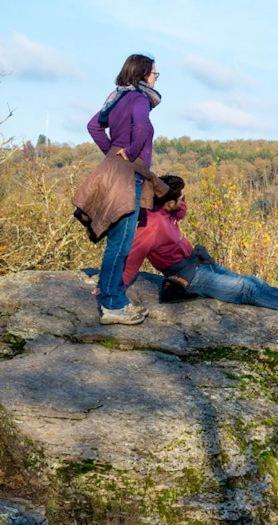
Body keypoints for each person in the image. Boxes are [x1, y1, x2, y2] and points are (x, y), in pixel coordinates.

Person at [122, 175, 278, 321]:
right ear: (168, 202)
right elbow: (134, 256)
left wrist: (176, 196)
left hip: (198, 264)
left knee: (253, 280)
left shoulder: (166, 213)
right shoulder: (150, 225)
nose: (183, 201)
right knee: (245, 288)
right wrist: (113, 286)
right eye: (181, 198)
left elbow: (181, 213)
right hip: (187, 278)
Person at [86, 53, 162, 326]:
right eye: (154, 73)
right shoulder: (140, 99)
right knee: (121, 241)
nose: (156, 78)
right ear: (142, 74)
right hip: (129, 177)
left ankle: (113, 297)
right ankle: (112, 305)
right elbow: (141, 127)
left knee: (117, 239)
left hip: (114, 173)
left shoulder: (116, 98)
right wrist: (128, 153)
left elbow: (94, 126)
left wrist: (111, 153)